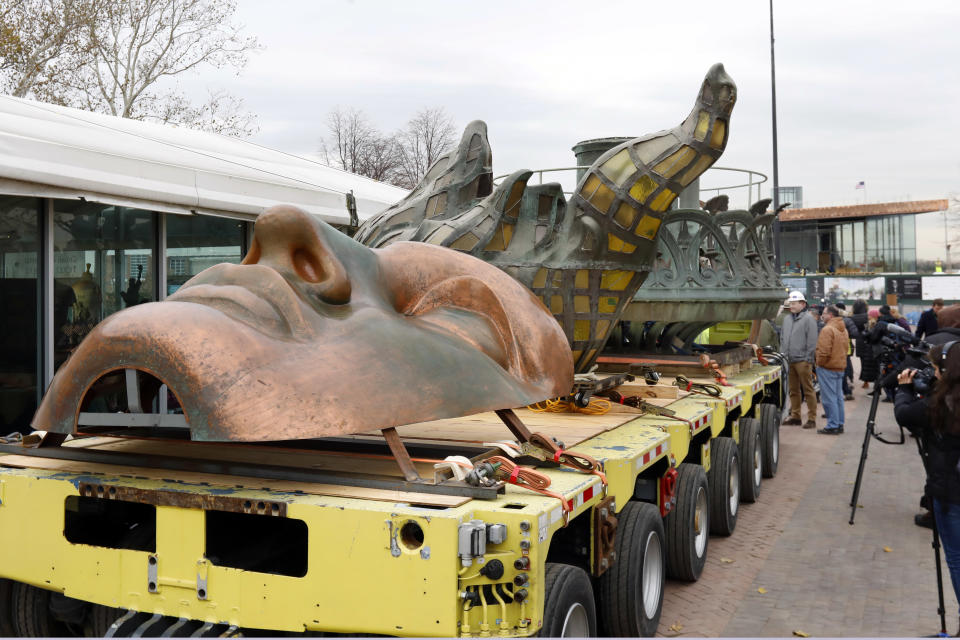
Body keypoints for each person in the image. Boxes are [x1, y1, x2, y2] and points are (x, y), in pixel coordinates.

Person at [894, 342, 960, 635]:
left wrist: (905, 388)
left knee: (957, 559)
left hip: (951, 494)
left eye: (936, 368)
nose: (933, 373)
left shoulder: (944, 403)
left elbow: (906, 415)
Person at [780, 291, 819, 429]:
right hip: (789, 360)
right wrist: (783, 355)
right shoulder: (787, 320)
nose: (791, 305)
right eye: (790, 303)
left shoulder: (809, 320)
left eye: (794, 303)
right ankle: (796, 416)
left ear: (802, 304)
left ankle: (812, 418)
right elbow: (783, 338)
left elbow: (812, 341)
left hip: (803, 361)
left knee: (808, 390)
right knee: (793, 390)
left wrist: (808, 359)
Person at [815, 306, 848, 435]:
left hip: (827, 368)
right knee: (838, 397)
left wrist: (819, 364)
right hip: (839, 366)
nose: (822, 316)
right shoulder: (843, 329)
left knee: (829, 399)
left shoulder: (827, 330)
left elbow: (823, 352)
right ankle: (839, 424)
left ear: (831, 315)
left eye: (824, 313)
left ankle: (832, 425)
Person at [835, 302, 860, 399]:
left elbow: (854, 333)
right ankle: (848, 387)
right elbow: (855, 333)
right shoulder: (848, 320)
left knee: (844, 369)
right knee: (846, 368)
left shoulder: (840, 320)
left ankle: (846, 388)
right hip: (846, 347)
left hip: (842, 348)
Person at [853, 301, 878, 390]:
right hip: (868, 340)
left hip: (859, 341)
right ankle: (874, 381)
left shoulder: (853, 317)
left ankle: (865, 381)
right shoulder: (867, 317)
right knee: (872, 362)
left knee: (863, 361)